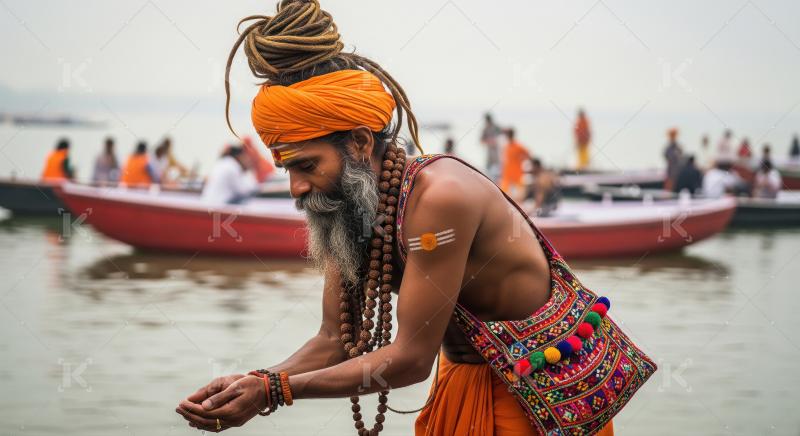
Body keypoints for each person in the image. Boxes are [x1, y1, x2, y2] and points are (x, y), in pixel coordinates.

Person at [176, 2, 653, 434]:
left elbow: (409, 360)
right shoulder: (354, 209)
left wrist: (274, 393)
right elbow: (332, 340)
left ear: (361, 144)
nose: (297, 188)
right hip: (460, 382)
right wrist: (256, 380)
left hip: (529, 400)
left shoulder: (439, 199)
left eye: (307, 166)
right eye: (288, 170)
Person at [499, 128, 531, 201]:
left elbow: (528, 154)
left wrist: (522, 159)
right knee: (504, 194)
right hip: (507, 174)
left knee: (520, 195)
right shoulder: (506, 146)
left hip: (517, 173)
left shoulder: (518, 146)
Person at [480, 112, 501, 182]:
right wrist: (489, 141)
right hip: (489, 152)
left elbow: (503, 135)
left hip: (496, 151)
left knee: (498, 169)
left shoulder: (496, 127)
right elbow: (481, 141)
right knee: (488, 170)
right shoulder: (485, 129)